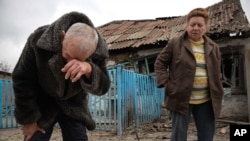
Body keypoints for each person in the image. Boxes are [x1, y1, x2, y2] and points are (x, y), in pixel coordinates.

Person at [12, 11, 111, 141]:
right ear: (62, 37)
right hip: (42, 101)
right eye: (68, 56)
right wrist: (28, 120)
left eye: (78, 60)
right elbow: (22, 79)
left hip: (74, 103)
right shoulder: (38, 40)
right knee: (34, 138)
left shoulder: (97, 50)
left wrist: (89, 69)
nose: (70, 64)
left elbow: (104, 87)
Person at [154, 8, 223, 141]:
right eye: (192, 25)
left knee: (206, 136)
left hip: (207, 101)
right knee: (179, 136)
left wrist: (218, 83)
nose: (195, 28)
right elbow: (159, 63)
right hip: (180, 99)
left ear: (206, 27)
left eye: (199, 25)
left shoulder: (213, 47)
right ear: (187, 26)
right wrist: (166, 83)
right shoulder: (175, 43)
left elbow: (217, 71)